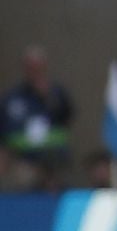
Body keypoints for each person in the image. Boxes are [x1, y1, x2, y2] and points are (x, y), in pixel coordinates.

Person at [1, 46, 75, 192]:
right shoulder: (13, 97)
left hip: (55, 159)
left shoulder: (56, 93)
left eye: (38, 67)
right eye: (30, 67)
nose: (34, 71)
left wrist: (47, 97)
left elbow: (66, 117)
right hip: (24, 161)